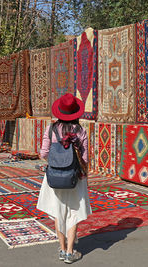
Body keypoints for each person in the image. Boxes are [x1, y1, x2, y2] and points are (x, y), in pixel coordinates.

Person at [37, 93, 91, 264]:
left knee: (58, 212)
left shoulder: (51, 129)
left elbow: (43, 154)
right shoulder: (81, 131)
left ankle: (61, 249)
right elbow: (85, 159)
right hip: (75, 177)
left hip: (54, 177)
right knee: (73, 212)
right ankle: (70, 252)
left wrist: (58, 162)